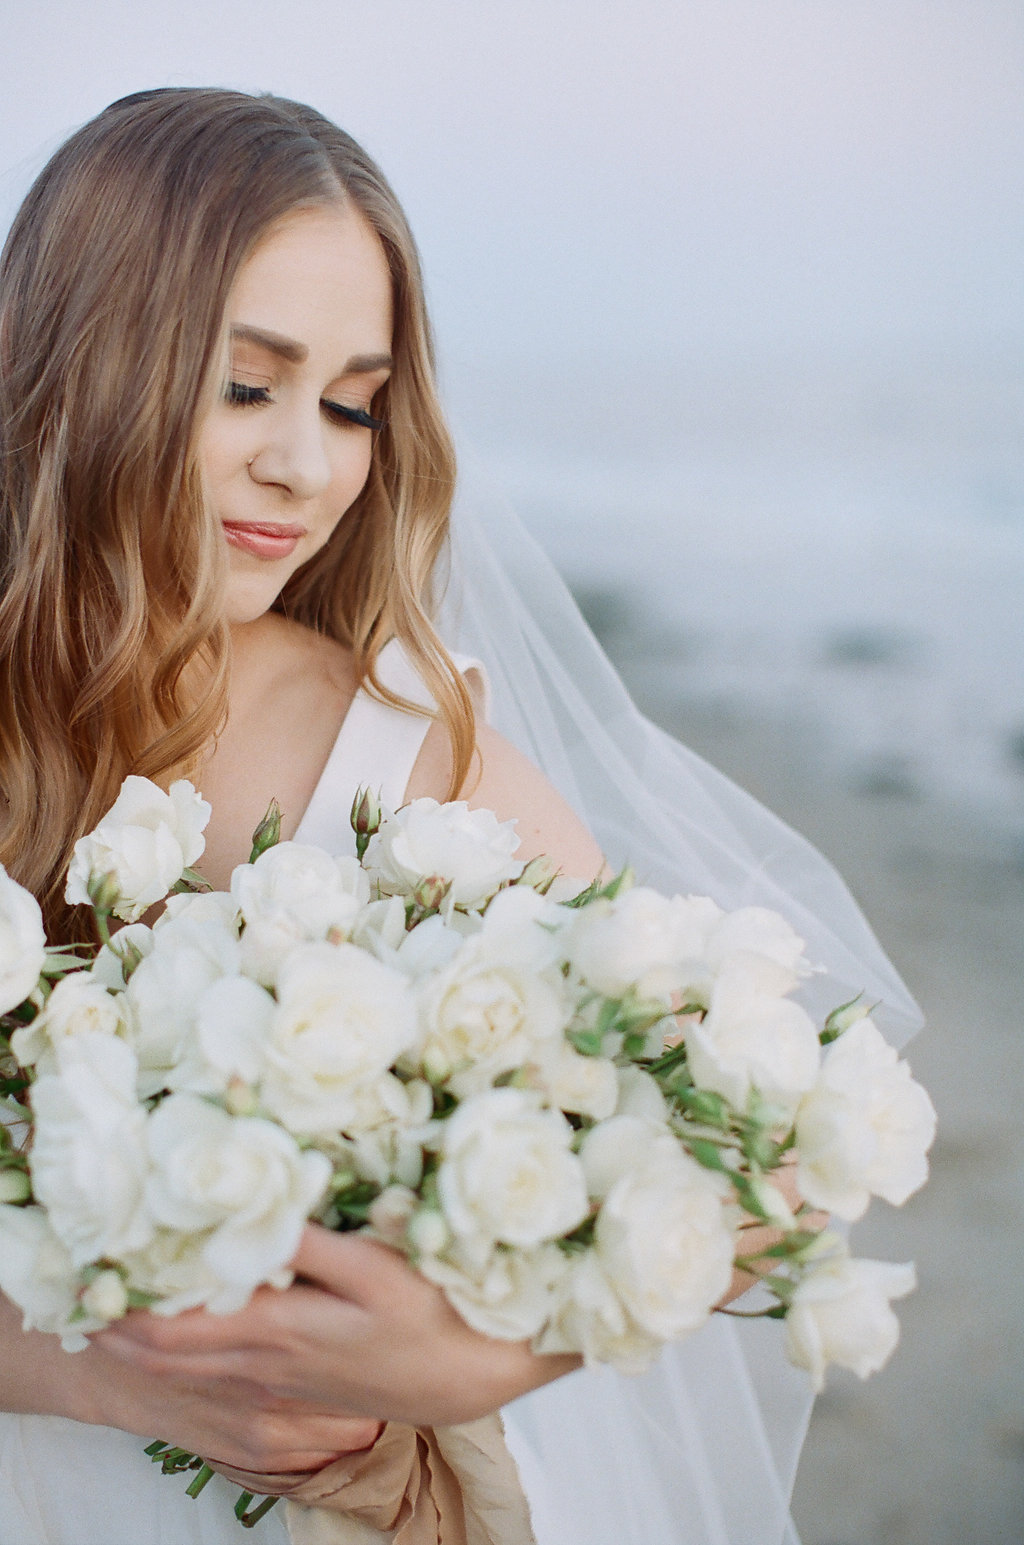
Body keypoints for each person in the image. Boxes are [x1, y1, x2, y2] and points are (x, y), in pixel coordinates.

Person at [0, 88, 920, 1545]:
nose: (308, 466)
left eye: (353, 402)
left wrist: (493, 1353)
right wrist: (89, 1374)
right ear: (81, 361)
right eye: (247, 385)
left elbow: (768, 1152)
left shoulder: (398, 762)